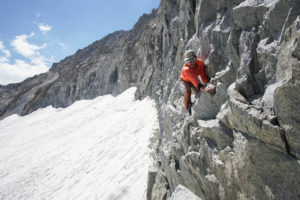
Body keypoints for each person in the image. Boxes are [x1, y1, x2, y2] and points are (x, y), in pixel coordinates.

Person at [179, 50, 215, 115]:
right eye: (187, 61)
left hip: (193, 81)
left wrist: (207, 82)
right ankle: (187, 110)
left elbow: (203, 75)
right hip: (184, 81)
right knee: (187, 91)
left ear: (196, 58)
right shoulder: (186, 69)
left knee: (198, 93)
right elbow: (194, 79)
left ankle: (195, 106)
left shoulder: (200, 63)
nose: (190, 63)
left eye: (192, 60)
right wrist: (202, 87)